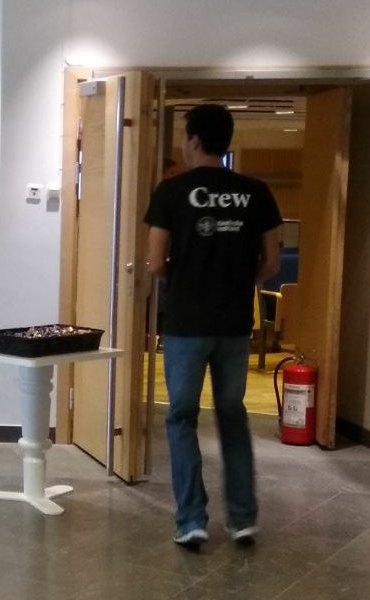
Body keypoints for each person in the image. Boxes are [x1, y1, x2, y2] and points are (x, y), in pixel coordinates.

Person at [144, 104, 281, 548]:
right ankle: (243, 519)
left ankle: (191, 520)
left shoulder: (171, 191)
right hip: (235, 324)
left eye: (185, 137)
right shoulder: (256, 192)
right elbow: (272, 263)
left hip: (186, 323)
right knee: (232, 415)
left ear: (194, 140)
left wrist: (186, 281)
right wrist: (238, 282)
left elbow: (154, 261)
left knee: (181, 417)